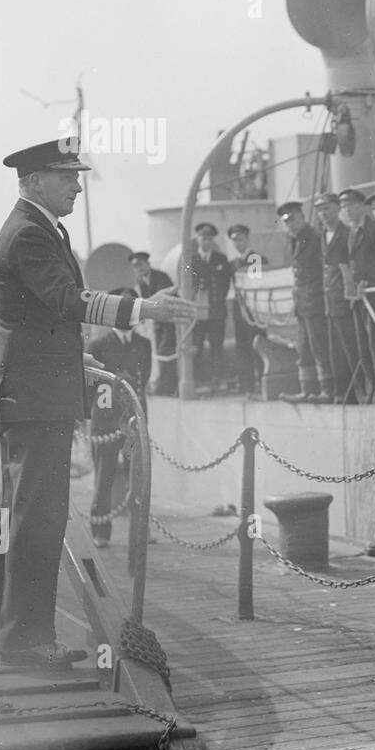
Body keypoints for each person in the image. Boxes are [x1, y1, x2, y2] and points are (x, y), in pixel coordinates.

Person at [0, 138, 194, 668]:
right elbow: (65, 302)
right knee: (37, 519)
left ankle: (13, 636)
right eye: (66, 176)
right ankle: (25, 643)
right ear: (33, 181)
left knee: (26, 516)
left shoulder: (39, 228)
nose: (77, 184)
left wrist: (80, 363)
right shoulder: (30, 233)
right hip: (32, 400)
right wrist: (144, 307)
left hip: (33, 392)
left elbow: (40, 323)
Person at [86, 288, 151, 547]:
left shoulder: (144, 345)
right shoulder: (99, 346)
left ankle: (140, 530)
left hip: (134, 421)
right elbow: (94, 388)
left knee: (138, 477)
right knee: (105, 476)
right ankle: (101, 530)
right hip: (106, 422)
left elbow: (142, 382)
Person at [277, 201, 334, 404]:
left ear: (302, 218)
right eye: (287, 222)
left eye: (293, 220)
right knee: (303, 348)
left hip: (316, 300)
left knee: (319, 346)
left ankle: (327, 389)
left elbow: (324, 269)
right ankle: (307, 390)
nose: (290, 225)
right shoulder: (295, 240)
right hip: (302, 303)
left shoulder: (314, 238)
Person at [341, 188, 375, 402]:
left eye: (350, 205)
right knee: (363, 347)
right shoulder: (352, 232)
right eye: (343, 206)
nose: (347, 210)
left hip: (374, 296)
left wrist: (368, 283)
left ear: (361, 206)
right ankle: (372, 388)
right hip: (359, 299)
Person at [314, 193, 361, 403]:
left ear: (337, 209)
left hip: (344, 299)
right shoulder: (323, 235)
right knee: (335, 350)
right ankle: (341, 392)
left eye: (327, 209)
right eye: (320, 210)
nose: (324, 214)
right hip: (329, 301)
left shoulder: (346, 233)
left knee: (350, 348)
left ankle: (357, 392)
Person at [187, 222, 231, 394]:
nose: (206, 241)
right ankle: (198, 381)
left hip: (216, 311)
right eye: (203, 238)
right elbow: (187, 285)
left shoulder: (221, 259)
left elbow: (225, 285)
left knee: (216, 347)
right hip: (197, 312)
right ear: (197, 239)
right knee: (196, 346)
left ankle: (217, 380)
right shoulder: (191, 260)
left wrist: (216, 300)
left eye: (209, 238)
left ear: (212, 240)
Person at [129, 251, 177, 396]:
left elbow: (167, 297)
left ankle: (170, 385)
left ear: (148, 264)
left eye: (141, 265)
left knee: (167, 351)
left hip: (169, 320)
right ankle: (165, 385)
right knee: (160, 353)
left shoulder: (160, 277)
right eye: (136, 267)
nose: (139, 269)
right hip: (157, 322)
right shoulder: (141, 281)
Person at [227, 223, 267, 398]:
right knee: (242, 348)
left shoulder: (255, 258)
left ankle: (261, 384)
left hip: (254, 310)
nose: (238, 243)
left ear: (247, 239)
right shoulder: (233, 262)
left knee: (257, 345)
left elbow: (255, 284)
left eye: (241, 239)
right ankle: (247, 385)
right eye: (235, 240)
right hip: (239, 311)